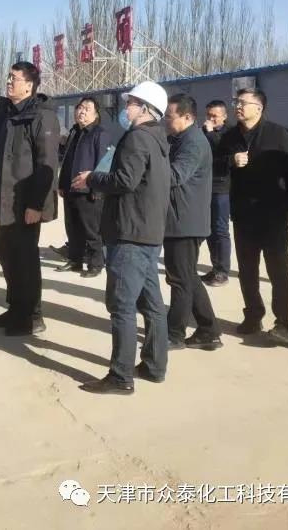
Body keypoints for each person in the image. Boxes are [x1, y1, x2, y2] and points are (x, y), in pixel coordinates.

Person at [71, 81, 171, 395]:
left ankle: (121, 376)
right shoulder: (157, 138)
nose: (126, 108)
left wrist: (92, 178)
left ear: (146, 109)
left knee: (122, 305)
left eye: (131, 103)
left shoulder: (138, 138)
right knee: (151, 304)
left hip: (130, 233)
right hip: (147, 232)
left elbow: (125, 180)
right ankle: (154, 364)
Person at [219, 89, 288, 345]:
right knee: (247, 270)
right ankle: (253, 316)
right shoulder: (230, 137)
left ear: (259, 107)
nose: (238, 106)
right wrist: (231, 160)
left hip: (274, 214)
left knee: (278, 270)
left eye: (243, 103)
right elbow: (215, 165)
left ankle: (284, 324)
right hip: (244, 214)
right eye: (236, 102)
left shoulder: (278, 133)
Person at [0, 62, 60, 336]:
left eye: (14, 78)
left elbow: (47, 163)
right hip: (7, 201)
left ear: (29, 85)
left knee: (25, 260)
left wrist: (36, 204)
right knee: (7, 255)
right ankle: (16, 308)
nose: (9, 82)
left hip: (26, 203)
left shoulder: (42, 117)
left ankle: (32, 316)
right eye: (9, 77)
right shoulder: (9, 114)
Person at [163, 94, 222, 351]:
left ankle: (174, 334)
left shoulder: (193, 142)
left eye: (170, 116)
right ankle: (209, 330)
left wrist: (146, 167)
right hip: (180, 218)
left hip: (185, 221)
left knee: (179, 280)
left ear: (187, 117)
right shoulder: (180, 139)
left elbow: (175, 175)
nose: (166, 121)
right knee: (187, 276)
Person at [56, 97, 112, 277]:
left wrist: (97, 189)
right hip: (71, 188)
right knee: (73, 228)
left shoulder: (100, 133)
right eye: (80, 108)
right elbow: (66, 161)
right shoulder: (74, 132)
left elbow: (104, 163)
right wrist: (62, 183)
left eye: (87, 108)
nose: (81, 111)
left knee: (92, 229)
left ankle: (96, 264)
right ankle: (75, 260)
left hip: (88, 190)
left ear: (96, 114)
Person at [202, 100, 232, 287]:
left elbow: (224, 152)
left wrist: (211, 133)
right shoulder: (203, 131)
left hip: (221, 187)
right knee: (209, 229)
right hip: (205, 185)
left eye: (215, 116)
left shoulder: (230, 133)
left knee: (220, 229)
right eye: (209, 115)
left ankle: (222, 271)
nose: (211, 119)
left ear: (224, 116)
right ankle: (215, 267)